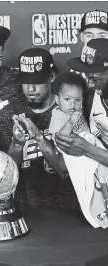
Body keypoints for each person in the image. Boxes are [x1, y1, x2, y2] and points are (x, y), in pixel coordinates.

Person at [0, 48, 80, 212]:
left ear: (52, 77)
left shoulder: (69, 112)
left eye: (37, 81)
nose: (30, 88)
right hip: (27, 212)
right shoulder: (9, 114)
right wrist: (17, 144)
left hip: (68, 212)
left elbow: (65, 171)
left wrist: (39, 137)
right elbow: (7, 176)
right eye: (26, 81)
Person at [49, 72, 108, 229]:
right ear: (57, 100)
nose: (73, 104)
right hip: (73, 155)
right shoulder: (58, 115)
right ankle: (99, 210)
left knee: (103, 173)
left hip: (89, 149)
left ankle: (105, 203)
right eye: (67, 99)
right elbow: (61, 139)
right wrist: (69, 123)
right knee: (90, 184)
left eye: (77, 100)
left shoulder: (81, 111)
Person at [56, 38, 108, 166]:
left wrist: (87, 149)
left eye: (94, 79)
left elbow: (86, 149)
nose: (90, 84)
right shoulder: (90, 99)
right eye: (87, 77)